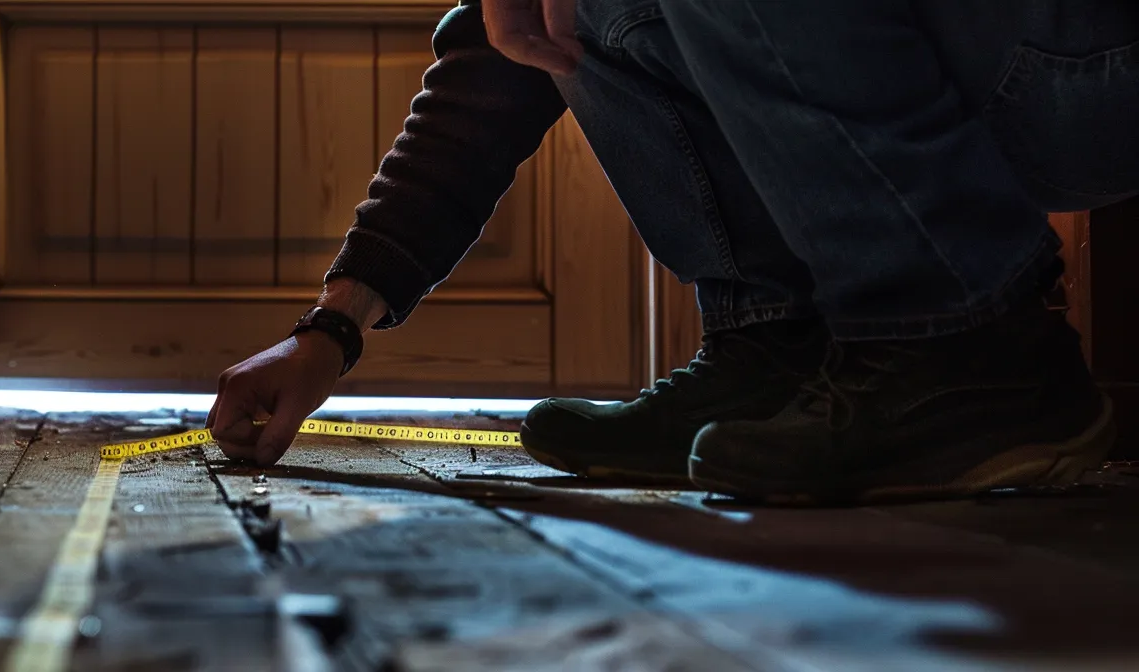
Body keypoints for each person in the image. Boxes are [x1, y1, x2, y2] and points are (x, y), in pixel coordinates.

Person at [205, 0, 1139, 504]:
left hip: (1092, 55)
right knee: (562, 9)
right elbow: (496, 57)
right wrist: (333, 328)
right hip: (1001, 67)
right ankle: (777, 347)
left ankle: (967, 346)